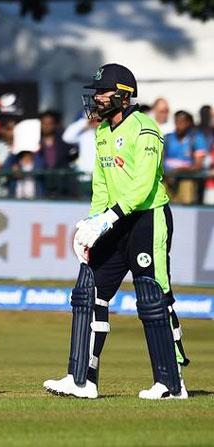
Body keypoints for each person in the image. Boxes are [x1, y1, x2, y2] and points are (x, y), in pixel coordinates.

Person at [44, 64, 189, 400]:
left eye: (102, 93)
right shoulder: (103, 132)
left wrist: (109, 218)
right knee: (89, 290)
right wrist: (92, 224)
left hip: (147, 219)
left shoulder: (145, 128)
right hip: (114, 220)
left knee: (152, 296)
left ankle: (170, 382)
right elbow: (101, 183)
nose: (96, 99)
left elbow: (141, 185)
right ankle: (82, 379)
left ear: (123, 96)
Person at [163, 111, 207, 205]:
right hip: (167, 178)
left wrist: (181, 170)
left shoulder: (196, 139)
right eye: (177, 122)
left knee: (186, 197)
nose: (179, 125)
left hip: (187, 178)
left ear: (188, 123)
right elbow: (160, 159)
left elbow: (198, 165)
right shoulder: (168, 138)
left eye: (182, 122)